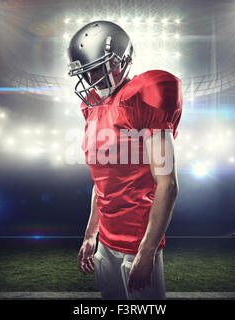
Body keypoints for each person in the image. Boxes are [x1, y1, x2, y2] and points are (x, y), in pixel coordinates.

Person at [67, 20, 183, 300]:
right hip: (105, 242)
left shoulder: (144, 97)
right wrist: (90, 234)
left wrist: (147, 251)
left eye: (96, 68)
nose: (90, 78)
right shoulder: (91, 108)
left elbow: (167, 184)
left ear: (122, 61)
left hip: (137, 242)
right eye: (86, 72)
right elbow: (101, 182)